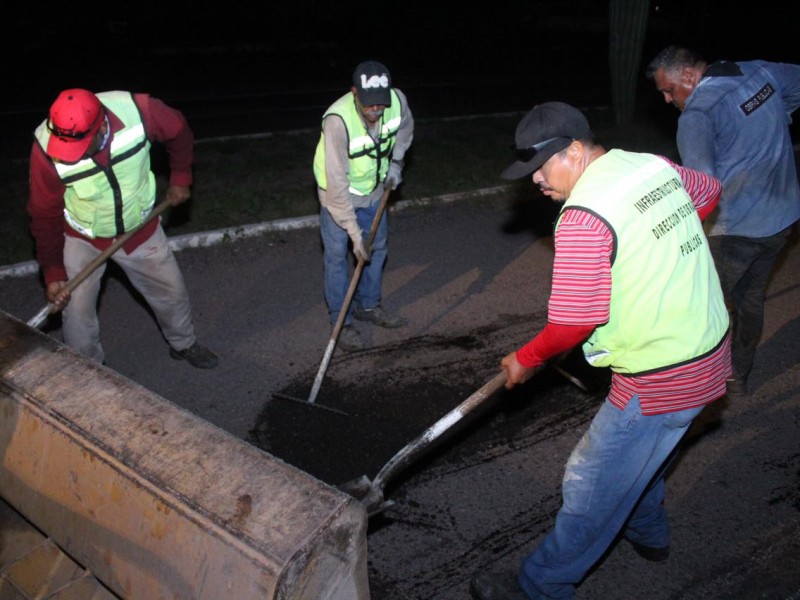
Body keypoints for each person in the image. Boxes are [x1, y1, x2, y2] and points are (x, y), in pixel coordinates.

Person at [469, 102, 731, 600]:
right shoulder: (648, 166)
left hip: (661, 376)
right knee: (642, 457)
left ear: (572, 151)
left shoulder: (583, 217)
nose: (535, 182)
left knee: (590, 482)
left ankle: (541, 587)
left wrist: (527, 358)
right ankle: (648, 532)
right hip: (708, 351)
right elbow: (708, 191)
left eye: (540, 169)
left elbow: (573, 322)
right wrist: (653, 249)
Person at [645, 46, 800, 398]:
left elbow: (702, 189)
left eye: (669, 90)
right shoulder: (758, 71)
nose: (669, 100)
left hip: (736, 230)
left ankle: (682, 386)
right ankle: (738, 374)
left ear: (689, 76)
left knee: (700, 307)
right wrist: (776, 117)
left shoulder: (699, 113)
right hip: (783, 218)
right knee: (750, 297)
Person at [28, 88, 218, 369]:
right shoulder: (46, 149)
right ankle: (88, 371)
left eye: (78, 148)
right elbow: (43, 215)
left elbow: (179, 130)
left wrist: (181, 177)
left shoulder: (140, 111)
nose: (68, 157)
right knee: (76, 314)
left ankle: (183, 343)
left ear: (102, 126)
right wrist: (53, 271)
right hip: (83, 238)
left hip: (139, 229)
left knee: (171, 293)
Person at [312, 60, 414, 351]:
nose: (376, 111)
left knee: (377, 248)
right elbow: (337, 187)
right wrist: (355, 235)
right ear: (354, 92)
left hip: (374, 190)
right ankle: (340, 321)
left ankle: (368, 306)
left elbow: (406, 128)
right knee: (336, 257)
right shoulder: (337, 121)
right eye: (369, 105)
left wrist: (397, 163)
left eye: (380, 105)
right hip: (337, 195)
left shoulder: (397, 102)